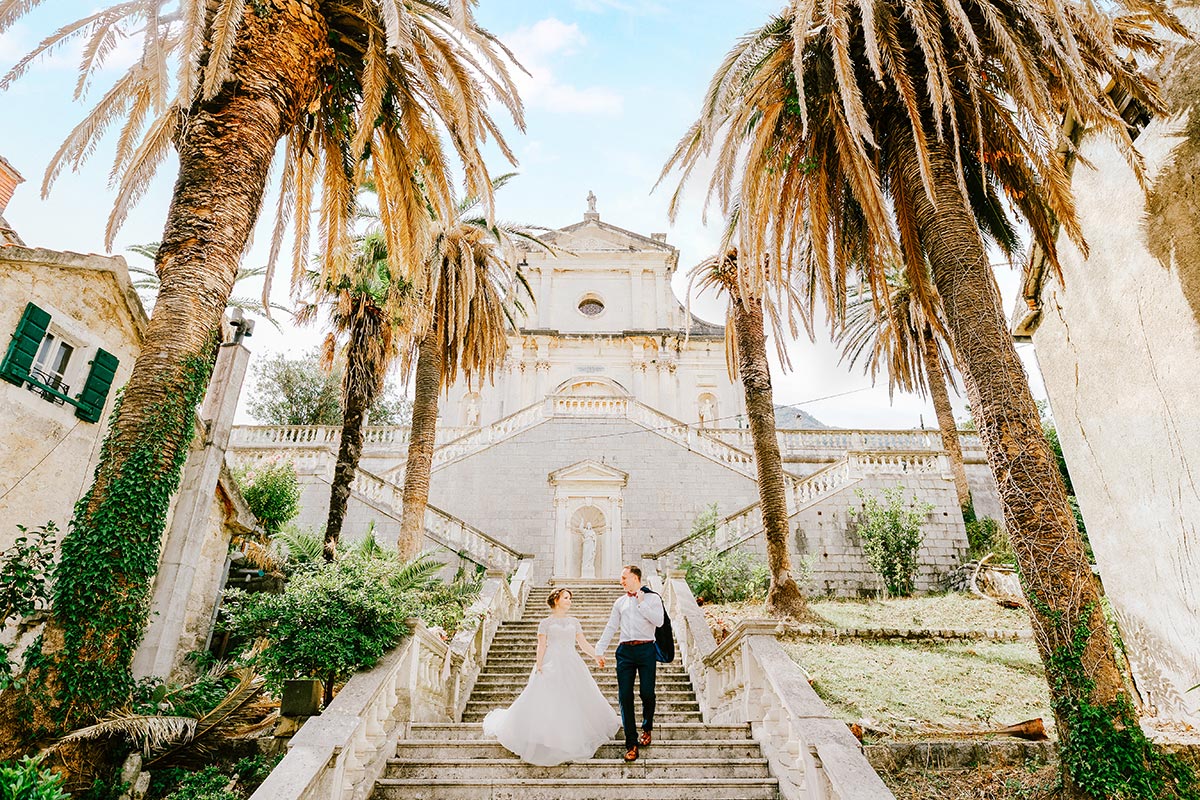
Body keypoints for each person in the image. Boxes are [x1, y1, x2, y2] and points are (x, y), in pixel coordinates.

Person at [482, 588, 620, 765]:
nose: (569, 601)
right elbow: (541, 645)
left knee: (572, 699)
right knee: (549, 700)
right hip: (551, 662)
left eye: (570, 598)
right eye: (566, 598)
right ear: (556, 599)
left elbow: (582, 643)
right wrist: (539, 664)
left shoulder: (574, 622)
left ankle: (569, 736)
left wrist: (596, 656)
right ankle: (548, 736)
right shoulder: (545, 623)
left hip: (571, 662)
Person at [595, 564, 664, 762]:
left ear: (635, 578)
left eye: (624, 577)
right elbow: (611, 627)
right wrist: (599, 650)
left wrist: (642, 603)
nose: (621, 581)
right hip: (625, 651)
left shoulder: (653, 598)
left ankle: (647, 727)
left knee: (647, 692)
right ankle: (631, 743)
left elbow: (659, 622)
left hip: (646, 649)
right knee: (625, 697)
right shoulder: (619, 602)